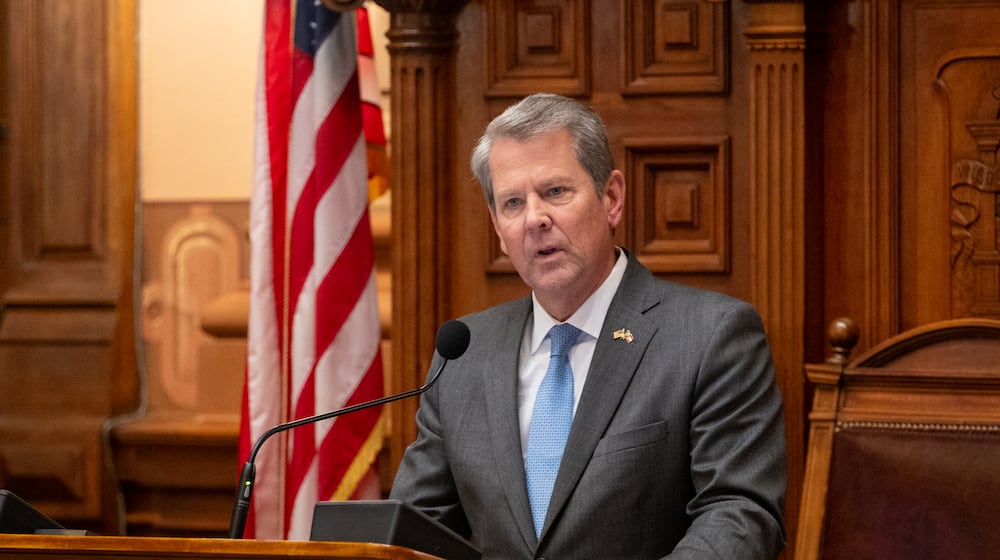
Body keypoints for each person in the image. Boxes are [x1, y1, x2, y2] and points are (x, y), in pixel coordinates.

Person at [389, 93, 787, 559]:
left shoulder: (711, 336)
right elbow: (414, 529)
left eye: (555, 192)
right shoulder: (464, 353)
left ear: (611, 198)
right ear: (498, 227)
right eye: (513, 203)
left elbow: (740, 513)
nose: (535, 219)